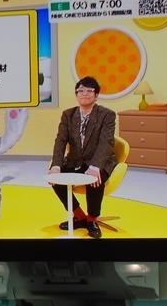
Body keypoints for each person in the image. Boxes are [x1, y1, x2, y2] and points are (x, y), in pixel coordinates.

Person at [48, 76, 117, 239]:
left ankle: (92, 220)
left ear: (96, 95)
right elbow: (60, 141)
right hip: (75, 160)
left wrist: (95, 166)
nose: (84, 93)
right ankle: (79, 216)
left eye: (89, 91)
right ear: (76, 94)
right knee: (55, 179)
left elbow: (106, 143)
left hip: (99, 160)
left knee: (95, 179)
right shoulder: (68, 115)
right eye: (80, 90)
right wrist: (56, 165)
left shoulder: (107, 115)